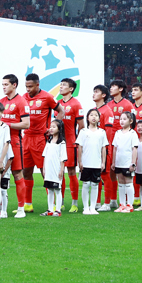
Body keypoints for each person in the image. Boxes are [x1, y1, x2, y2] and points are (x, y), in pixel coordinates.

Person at [23, 73, 64, 213]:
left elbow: (61, 111)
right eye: (26, 86)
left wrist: (54, 128)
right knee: (26, 171)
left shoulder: (47, 97)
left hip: (41, 139)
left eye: (30, 86)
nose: (28, 89)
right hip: (26, 138)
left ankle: (54, 204)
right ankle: (28, 204)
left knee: (45, 172)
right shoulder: (23, 97)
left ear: (37, 85)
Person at [0, 74, 30, 217]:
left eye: (6, 84)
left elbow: (26, 124)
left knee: (17, 174)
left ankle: (21, 209)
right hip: (1, 143)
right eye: (3, 85)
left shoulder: (21, 102)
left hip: (15, 141)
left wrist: (8, 124)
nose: (4, 87)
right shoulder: (1, 102)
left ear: (14, 85)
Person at [105, 80, 135, 209]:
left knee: (127, 174)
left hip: (125, 142)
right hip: (112, 141)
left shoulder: (128, 104)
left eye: (114, 86)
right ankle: (114, 200)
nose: (111, 88)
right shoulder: (108, 105)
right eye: (110, 86)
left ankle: (130, 201)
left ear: (121, 89)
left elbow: (133, 122)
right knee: (112, 171)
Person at [58, 78, 84, 213]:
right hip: (59, 143)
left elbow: (81, 126)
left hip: (70, 143)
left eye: (64, 85)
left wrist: (78, 143)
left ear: (71, 89)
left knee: (71, 172)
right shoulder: (58, 104)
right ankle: (60, 202)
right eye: (60, 85)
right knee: (59, 173)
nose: (61, 87)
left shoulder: (76, 104)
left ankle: (74, 203)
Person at [76, 108, 108, 215]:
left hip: (96, 163)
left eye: (96, 115)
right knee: (85, 184)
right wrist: (80, 161)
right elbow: (80, 147)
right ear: (87, 118)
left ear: (99, 118)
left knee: (95, 185)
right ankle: (86, 207)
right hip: (86, 163)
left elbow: (103, 148)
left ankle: (92, 207)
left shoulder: (102, 132)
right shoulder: (83, 132)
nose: (94, 117)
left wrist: (103, 162)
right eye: (91, 115)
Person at [91, 85, 116, 212]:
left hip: (103, 149)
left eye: (96, 92)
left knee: (105, 175)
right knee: (96, 175)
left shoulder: (107, 111)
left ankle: (107, 203)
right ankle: (97, 202)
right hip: (93, 148)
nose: (94, 94)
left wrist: (104, 149)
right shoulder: (93, 111)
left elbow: (108, 134)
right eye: (93, 92)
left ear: (103, 95)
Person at [112, 112, 140, 213]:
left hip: (127, 163)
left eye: (124, 119)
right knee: (121, 183)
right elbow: (115, 148)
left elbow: (134, 149)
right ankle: (122, 204)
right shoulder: (117, 133)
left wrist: (133, 163)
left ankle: (130, 205)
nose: (122, 121)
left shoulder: (133, 134)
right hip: (119, 162)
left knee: (128, 182)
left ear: (131, 121)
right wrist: (113, 162)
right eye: (121, 119)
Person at [41, 119, 68, 217]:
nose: (51, 129)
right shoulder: (49, 141)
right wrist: (44, 168)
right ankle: (50, 209)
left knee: (57, 189)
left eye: (54, 127)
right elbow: (45, 155)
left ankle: (58, 210)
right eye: (50, 126)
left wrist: (61, 170)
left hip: (56, 169)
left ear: (59, 129)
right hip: (49, 169)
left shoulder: (61, 142)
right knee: (50, 189)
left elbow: (63, 158)